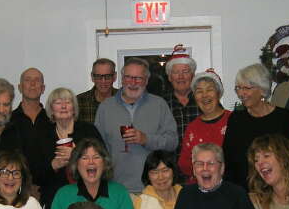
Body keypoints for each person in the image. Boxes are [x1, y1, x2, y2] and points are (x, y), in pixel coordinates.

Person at [95, 57, 178, 193]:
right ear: (122, 78)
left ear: (146, 80)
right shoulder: (105, 107)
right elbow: (97, 148)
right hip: (116, 189)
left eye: (138, 78)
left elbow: (172, 142)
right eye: (128, 77)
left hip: (154, 188)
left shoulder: (159, 105)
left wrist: (146, 139)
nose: (133, 82)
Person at [223, 63, 289, 188]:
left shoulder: (284, 118)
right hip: (243, 191)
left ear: (262, 89)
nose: (241, 93)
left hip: (277, 190)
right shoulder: (236, 119)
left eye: (246, 88)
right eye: (238, 88)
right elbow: (228, 160)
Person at [38, 87, 104, 209]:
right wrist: (53, 165)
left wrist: (77, 156)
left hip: (87, 197)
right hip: (54, 199)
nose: (63, 106)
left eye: (68, 102)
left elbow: (104, 162)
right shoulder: (43, 136)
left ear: (74, 109)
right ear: (51, 110)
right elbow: (35, 174)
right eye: (58, 103)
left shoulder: (88, 131)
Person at [177, 70, 231, 183]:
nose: (204, 95)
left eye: (210, 90)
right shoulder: (192, 127)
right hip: (198, 189)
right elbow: (183, 163)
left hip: (229, 187)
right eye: (199, 91)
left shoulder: (233, 120)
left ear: (218, 93)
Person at [10, 67, 51, 195]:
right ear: (20, 87)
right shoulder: (8, 121)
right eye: (27, 80)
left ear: (43, 88)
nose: (32, 84)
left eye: (37, 80)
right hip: (16, 188)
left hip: (50, 188)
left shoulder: (52, 120)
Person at [161, 45, 200, 152]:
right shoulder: (161, 104)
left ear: (193, 75)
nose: (181, 77)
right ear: (169, 77)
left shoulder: (204, 100)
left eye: (185, 72)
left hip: (200, 164)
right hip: (171, 165)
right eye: (176, 72)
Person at [77, 58, 117, 124]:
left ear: (114, 77)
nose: (103, 81)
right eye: (98, 76)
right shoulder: (79, 102)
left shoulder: (125, 100)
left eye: (107, 76)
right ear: (92, 77)